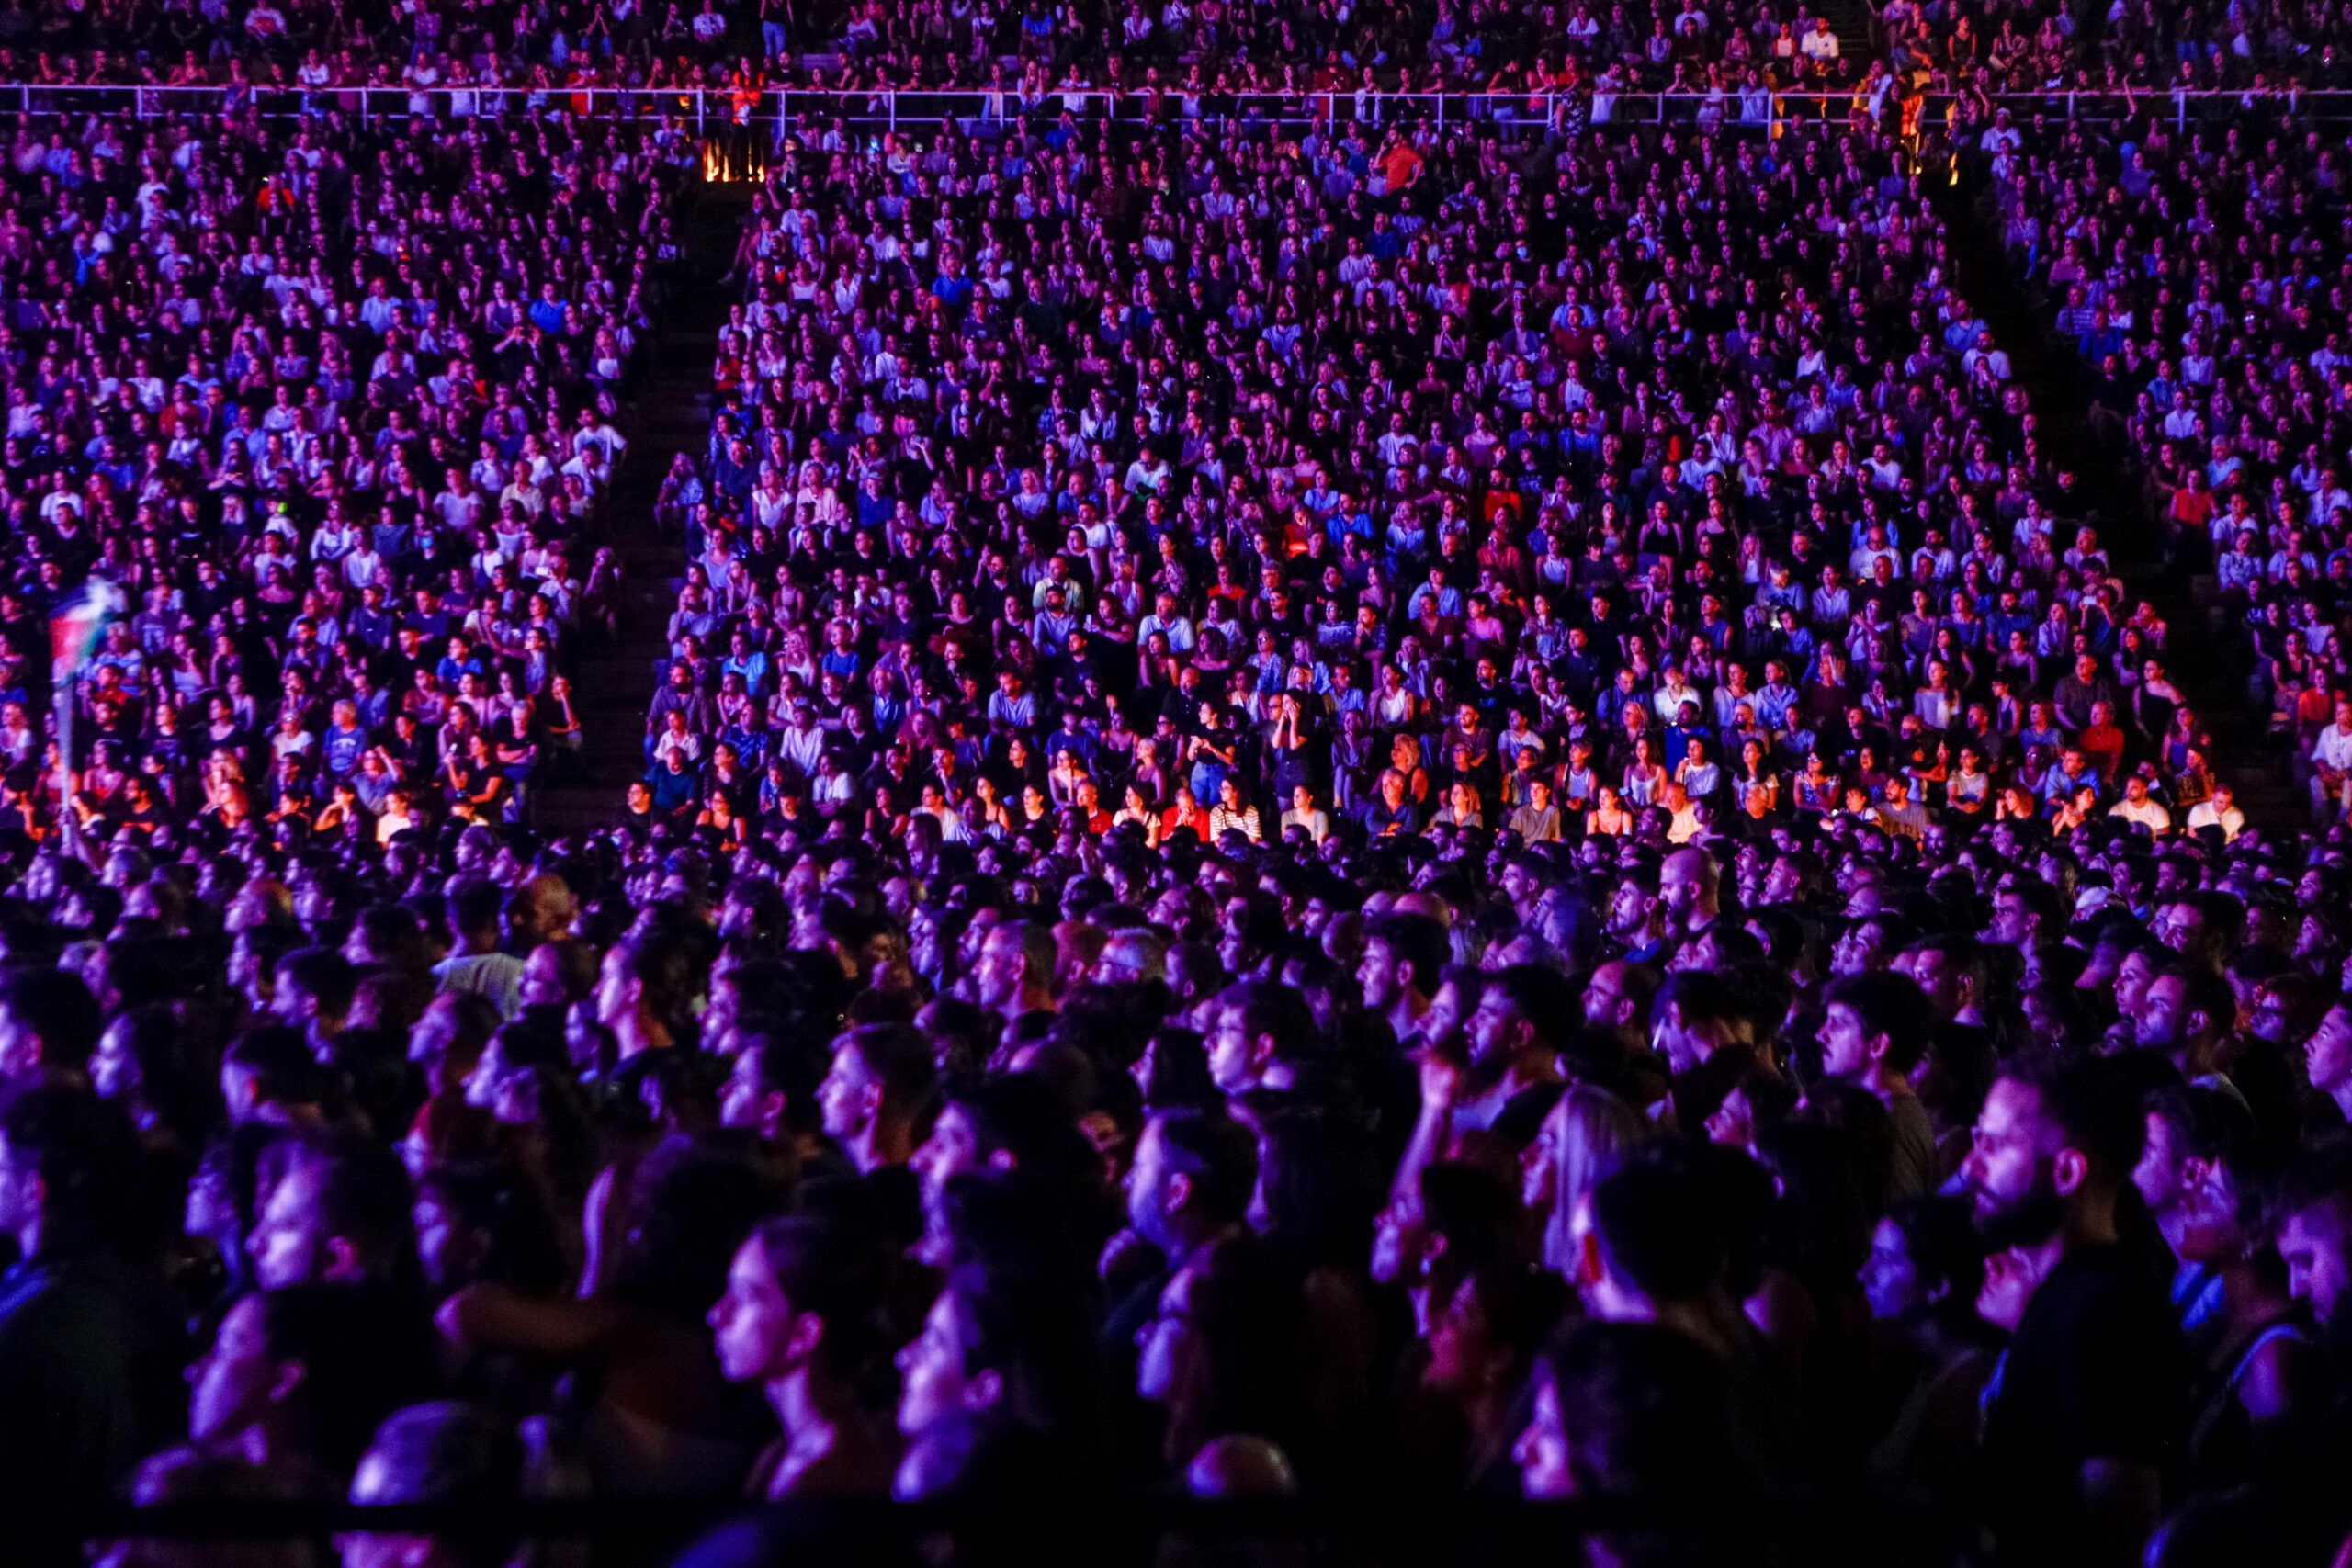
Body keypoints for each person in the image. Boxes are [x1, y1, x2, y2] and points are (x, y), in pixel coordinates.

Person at [1962, 1054, 2186, 1566]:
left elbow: (2118, 1532)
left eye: (1994, 1146)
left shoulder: (2113, 1314)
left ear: (2066, 1171)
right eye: (1977, 1141)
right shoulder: (2061, 1296)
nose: (1972, 1166)